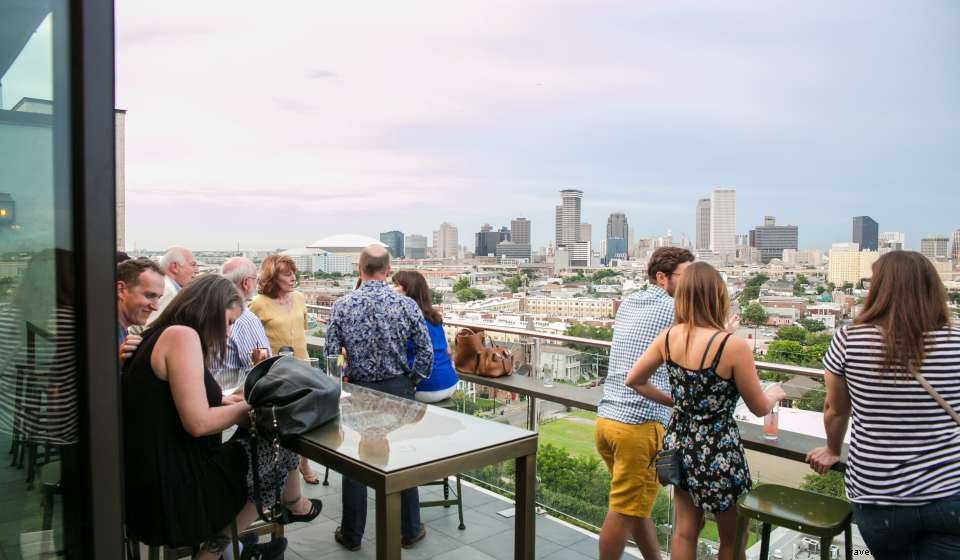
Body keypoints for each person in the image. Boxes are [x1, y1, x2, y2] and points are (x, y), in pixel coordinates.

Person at [122, 275, 321, 560]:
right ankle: (222, 548)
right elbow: (198, 423)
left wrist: (226, 401)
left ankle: (251, 534)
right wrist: (250, 406)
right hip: (179, 490)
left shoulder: (155, 335)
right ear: (211, 310)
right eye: (228, 322)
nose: (228, 334)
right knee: (278, 445)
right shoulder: (182, 336)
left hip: (147, 486)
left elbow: (169, 404)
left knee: (269, 450)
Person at [625, 262, 784, 560]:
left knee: (685, 530)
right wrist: (773, 394)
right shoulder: (732, 346)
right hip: (719, 449)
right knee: (733, 537)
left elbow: (634, 380)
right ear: (718, 297)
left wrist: (676, 403)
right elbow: (758, 406)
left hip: (681, 442)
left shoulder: (669, 337)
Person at [807, 251, 960, 560]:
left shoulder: (849, 339)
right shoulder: (956, 340)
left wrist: (833, 449)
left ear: (879, 289)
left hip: (879, 494)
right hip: (950, 491)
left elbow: (836, 409)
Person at [325, 244, 432, 551]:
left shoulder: (343, 305)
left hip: (358, 390)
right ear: (388, 270)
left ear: (360, 269)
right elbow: (425, 352)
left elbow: (331, 356)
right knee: (400, 456)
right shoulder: (406, 305)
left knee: (357, 459)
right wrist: (410, 381)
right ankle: (410, 529)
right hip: (398, 388)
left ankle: (352, 534)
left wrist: (340, 383)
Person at [593, 247, 694, 560]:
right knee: (624, 509)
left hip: (608, 420)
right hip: (639, 424)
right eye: (686, 275)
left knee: (635, 506)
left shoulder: (629, 302)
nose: (691, 283)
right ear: (662, 277)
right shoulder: (676, 311)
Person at [248, 254, 318, 485]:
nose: (293, 277)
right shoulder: (258, 304)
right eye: (287, 274)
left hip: (303, 367)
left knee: (307, 418)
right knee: (285, 422)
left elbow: (302, 329)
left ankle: (304, 462)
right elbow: (252, 342)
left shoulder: (299, 297)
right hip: (277, 373)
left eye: (293, 273)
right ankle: (286, 469)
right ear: (272, 277)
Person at [392, 270, 459, 403]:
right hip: (450, 382)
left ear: (408, 290)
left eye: (396, 285)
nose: (392, 289)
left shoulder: (405, 318)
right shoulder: (434, 317)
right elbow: (448, 351)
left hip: (425, 388)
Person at [220, 257, 271, 369]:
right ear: (246, 283)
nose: (257, 284)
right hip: (235, 380)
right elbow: (262, 367)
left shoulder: (210, 310)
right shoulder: (246, 320)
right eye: (256, 279)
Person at [117, 258, 164, 365]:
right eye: (149, 296)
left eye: (159, 298)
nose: (155, 307)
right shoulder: (99, 333)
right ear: (121, 290)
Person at [148, 246, 198, 323]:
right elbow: (149, 326)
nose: (197, 270)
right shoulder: (167, 291)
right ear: (174, 267)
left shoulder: (162, 285)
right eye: (193, 265)